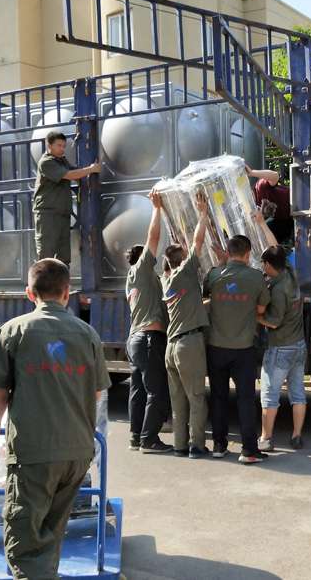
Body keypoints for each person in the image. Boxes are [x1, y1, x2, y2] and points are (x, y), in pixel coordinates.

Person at [0, 258, 110, 580]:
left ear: (29, 293)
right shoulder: (88, 334)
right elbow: (97, 394)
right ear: (67, 293)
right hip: (77, 452)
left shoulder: (14, 330)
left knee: (24, 537)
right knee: (53, 528)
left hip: (34, 454)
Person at [204, 234, 270, 464]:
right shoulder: (256, 277)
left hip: (216, 346)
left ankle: (219, 445)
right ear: (248, 253)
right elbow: (261, 309)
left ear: (228, 252)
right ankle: (249, 450)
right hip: (243, 347)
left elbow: (206, 293)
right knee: (245, 399)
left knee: (218, 396)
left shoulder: (214, 275)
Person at [160, 191, 211, 458]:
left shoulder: (166, 280)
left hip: (171, 347)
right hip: (188, 344)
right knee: (196, 397)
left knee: (178, 401)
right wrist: (202, 214)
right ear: (182, 260)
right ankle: (197, 445)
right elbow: (198, 241)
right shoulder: (186, 271)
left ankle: (180, 446)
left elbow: (182, 250)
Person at [124, 191, 172, 454]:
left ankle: (135, 436)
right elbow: (152, 238)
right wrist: (156, 208)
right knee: (157, 391)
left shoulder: (133, 282)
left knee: (138, 390)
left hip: (135, 339)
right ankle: (149, 440)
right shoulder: (141, 270)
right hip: (150, 339)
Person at [257, 245, 307, 451]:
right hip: (299, 345)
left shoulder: (278, 290)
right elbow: (278, 250)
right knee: (298, 393)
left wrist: (256, 317)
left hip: (280, 347)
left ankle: (266, 438)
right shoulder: (292, 274)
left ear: (269, 265)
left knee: (269, 394)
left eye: (263, 263)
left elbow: (274, 322)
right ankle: (297, 436)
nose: (262, 267)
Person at [33, 130, 101, 266]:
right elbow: (69, 175)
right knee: (46, 254)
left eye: (64, 146)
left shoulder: (61, 161)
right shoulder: (46, 162)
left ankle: (62, 279)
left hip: (62, 214)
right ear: (49, 145)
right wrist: (91, 169)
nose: (62, 149)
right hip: (47, 214)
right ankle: (43, 280)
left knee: (63, 256)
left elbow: (75, 172)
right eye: (59, 145)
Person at [246, 165, 293, 245]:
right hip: (285, 220)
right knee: (264, 233)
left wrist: (252, 173)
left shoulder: (260, 187)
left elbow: (275, 176)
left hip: (295, 204)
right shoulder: (252, 209)